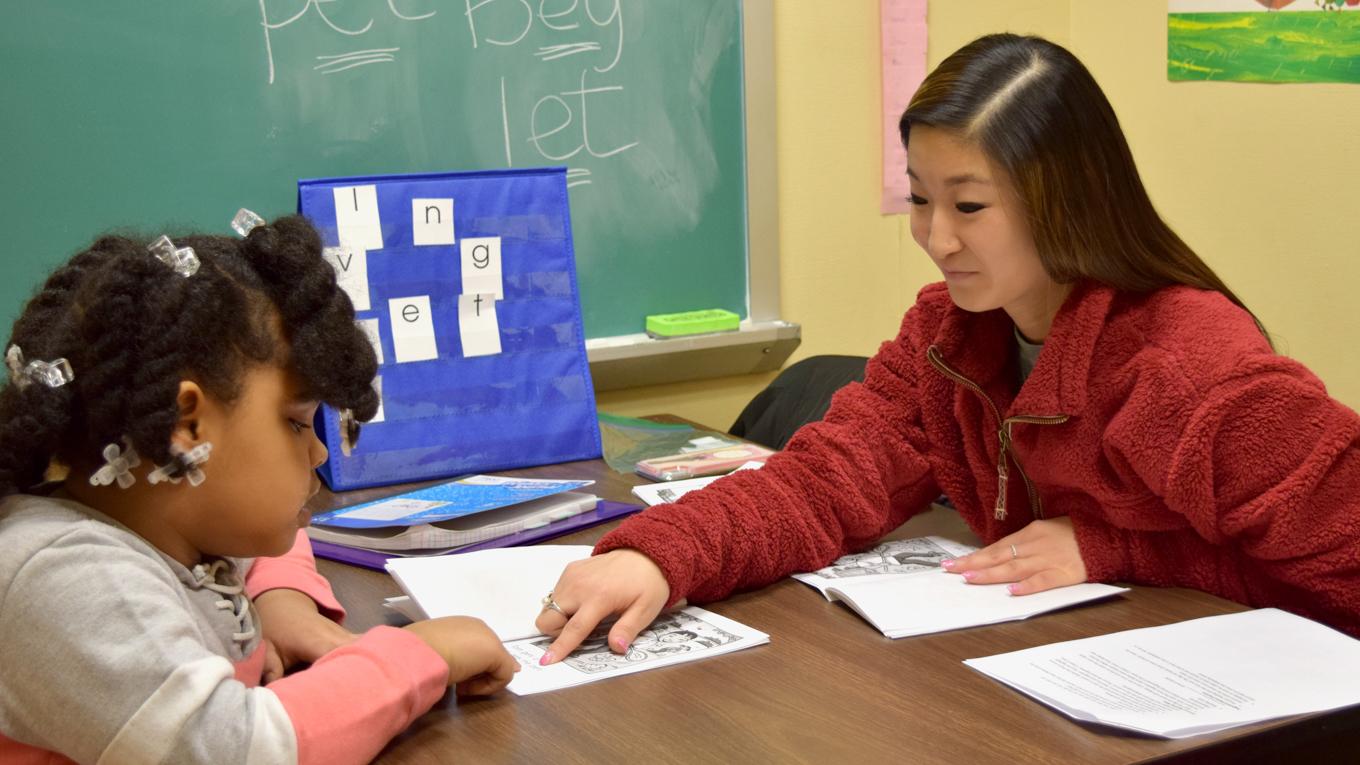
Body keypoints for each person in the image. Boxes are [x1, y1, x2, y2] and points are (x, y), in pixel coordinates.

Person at [534, 32, 1360, 663]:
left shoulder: (1185, 365)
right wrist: (659, 555)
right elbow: (827, 481)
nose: (934, 236)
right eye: (920, 199)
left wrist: (1124, 548)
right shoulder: (947, 335)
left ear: (1066, 199)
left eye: (969, 206)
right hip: (1033, 681)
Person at [0, 214, 519, 764]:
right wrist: (417, 655)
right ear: (187, 425)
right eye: (298, 423)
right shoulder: (69, 579)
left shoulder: (169, 522)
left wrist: (282, 604)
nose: (319, 453)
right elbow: (235, 750)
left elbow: (271, 538)